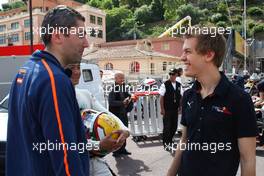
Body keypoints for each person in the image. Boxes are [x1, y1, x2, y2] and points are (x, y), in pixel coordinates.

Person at [6, 6, 90, 175]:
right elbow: (66, 156)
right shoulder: (54, 80)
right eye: (80, 35)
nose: (86, 43)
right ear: (58, 36)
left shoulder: (24, 71)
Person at [167, 27, 258, 176]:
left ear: (209, 55)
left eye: (188, 52)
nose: (182, 57)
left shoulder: (239, 99)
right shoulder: (189, 95)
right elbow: (183, 142)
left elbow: (248, 159)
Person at [66, 63, 130, 176]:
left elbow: (107, 113)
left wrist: (124, 130)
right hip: (73, 164)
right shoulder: (55, 100)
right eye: (71, 68)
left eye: (78, 68)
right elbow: (63, 141)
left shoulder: (85, 94)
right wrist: (98, 145)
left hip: (96, 160)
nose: (77, 72)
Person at [108, 72, 133, 157]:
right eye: (120, 78)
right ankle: (116, 151)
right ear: (115, 79)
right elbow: (111, 102)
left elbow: (128, 96)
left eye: (123, 78)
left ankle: (123, 149)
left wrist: (131, 98)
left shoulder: (124, 87)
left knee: (124, 131)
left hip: (123, 113)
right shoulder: (113, 88)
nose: (122, 79)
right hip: (116, 114)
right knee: (117, 133)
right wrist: (122, 102)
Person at [159, 68, 182, 151]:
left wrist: (180, 107)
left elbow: (180, 97)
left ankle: (170, 140)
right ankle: (166, 144)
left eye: (173, 74)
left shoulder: (179, 84)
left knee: (174, 127)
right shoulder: (165, 84)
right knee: (167, 128)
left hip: (175, 109)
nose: (172, 76)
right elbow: (161, 98)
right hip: (167, 109)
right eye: (171, 74)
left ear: (176, 75)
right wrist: (162, 109)